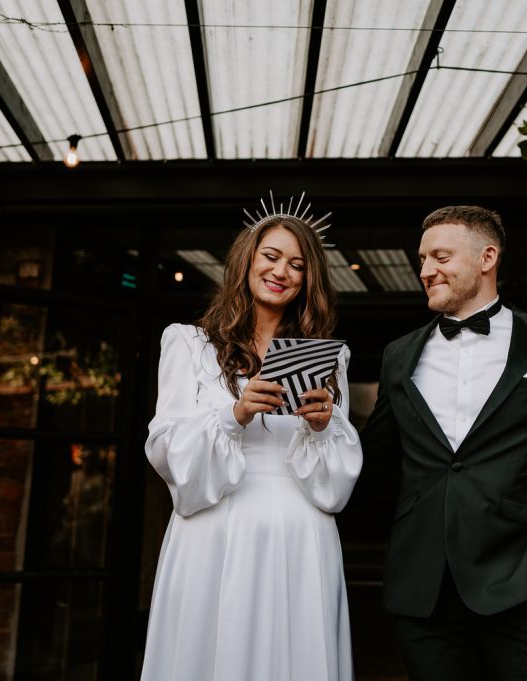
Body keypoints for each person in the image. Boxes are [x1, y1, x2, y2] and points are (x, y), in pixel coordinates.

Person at [362, 206, 527, 681]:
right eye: (422, 259)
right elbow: (372, 463)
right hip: (423, 594)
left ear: (487, 257)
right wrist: (316, 434)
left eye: (440, 256)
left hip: (523, 582)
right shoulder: (399, 356)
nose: (424, 270)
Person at [141, 209, 362, 681]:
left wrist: (323, 426)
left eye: (298, 265)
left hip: (302, 532)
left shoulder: (327, 355)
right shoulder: (189, 344)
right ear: (246, 260)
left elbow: (338, 482)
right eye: (272, 256)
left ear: (308, 280)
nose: (282, 272)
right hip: (215, 529)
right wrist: (234, 414)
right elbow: (165, 450)